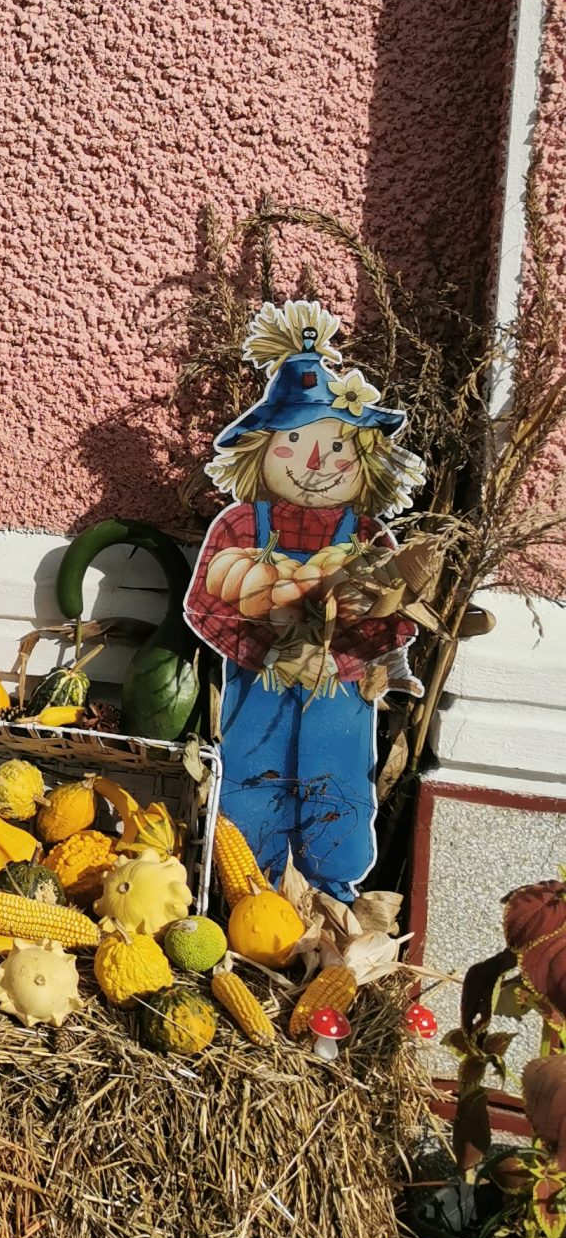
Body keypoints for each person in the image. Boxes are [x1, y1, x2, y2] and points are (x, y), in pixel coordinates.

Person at [183, 299, 424, 900]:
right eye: (294, 440)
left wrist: (339, 658)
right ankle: (249, 890)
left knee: (337, 779)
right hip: (258, 682)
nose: (319, 462)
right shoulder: (240, 526)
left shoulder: (368, 537)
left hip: (338, 688)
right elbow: (205, 608)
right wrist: (267, 652)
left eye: (340, 446)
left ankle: (331, 891)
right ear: (260, 451)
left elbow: (394, 615)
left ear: (367, 461)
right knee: (253, 779)